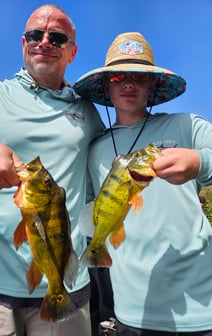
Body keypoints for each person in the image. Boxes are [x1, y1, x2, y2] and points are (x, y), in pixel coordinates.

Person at [0, 4, 105, 336]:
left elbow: (105, 179)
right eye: (34, 35)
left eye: (57, 37)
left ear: (72, 52)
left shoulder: (88, 112)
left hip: (68, 285)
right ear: (23, 44)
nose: (45, 41)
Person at [74, 32, 212, 335]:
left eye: (139, 76)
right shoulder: (94, 149)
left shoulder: (187, 125)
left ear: (152, 85)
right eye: (119, 76)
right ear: (106, 86)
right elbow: (83, 209)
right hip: (130, 309)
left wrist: (200, 162)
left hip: (202, 305)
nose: (128, 83)